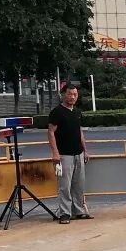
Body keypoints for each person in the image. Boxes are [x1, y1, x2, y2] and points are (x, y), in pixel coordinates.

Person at [47, 83, 91, 224]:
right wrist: (55, 153)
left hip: (78, 153)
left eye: (75, 94)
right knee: (64, 186)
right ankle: (65, 213)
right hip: (64, 155)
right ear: (63, 95)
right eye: (70, 94)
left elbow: (79, 132)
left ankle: (78, 210)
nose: (72, 97)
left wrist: (85, 150)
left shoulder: (77, 112)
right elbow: (51, 132)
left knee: (78, 184)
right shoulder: (57, 112)